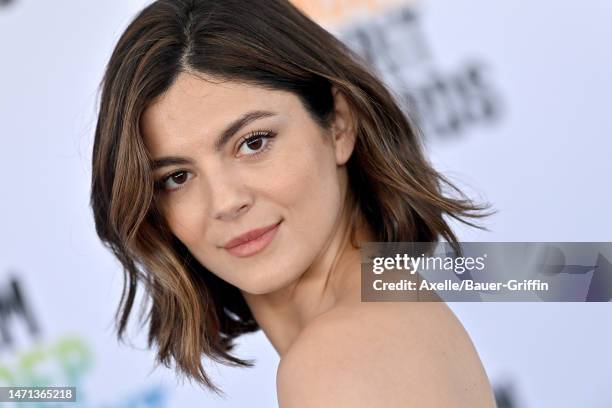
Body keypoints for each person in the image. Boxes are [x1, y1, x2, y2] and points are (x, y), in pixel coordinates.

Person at [90, 0, 497, 406]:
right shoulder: (393, 314)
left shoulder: (338, 358)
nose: (226, 202)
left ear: (339, 124)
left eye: (254, 142)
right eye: (177, 178)